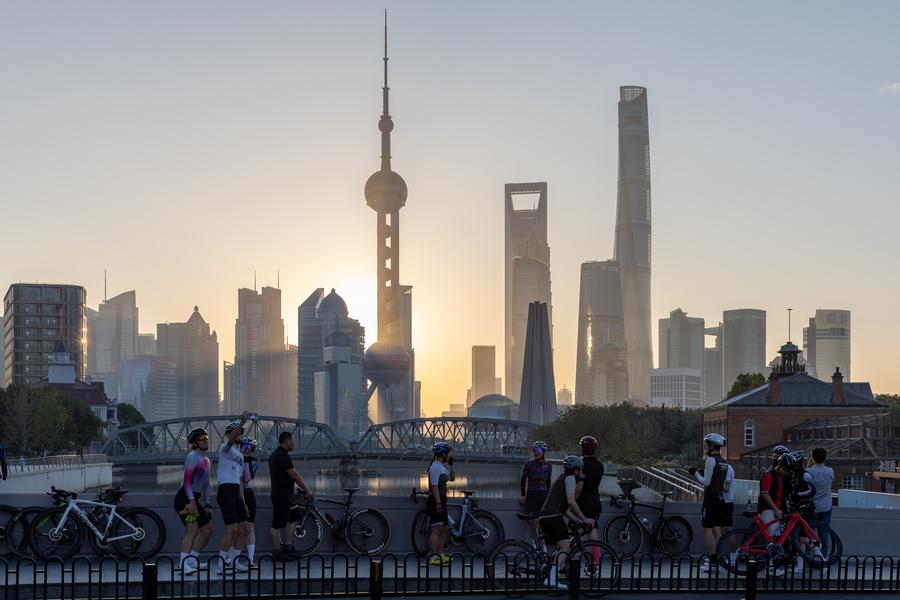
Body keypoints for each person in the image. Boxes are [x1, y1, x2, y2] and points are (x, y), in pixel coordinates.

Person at [538, 455, 595, 590]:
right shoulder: (570, 479)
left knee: (551, 554)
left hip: (544, 517)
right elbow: (571, 502)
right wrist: (585, 519)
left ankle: (547, 575)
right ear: (575, 470)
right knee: (565, 548)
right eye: (580, 469)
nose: (581, 472)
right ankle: (551, 579)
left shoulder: (560, 479)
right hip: (553, 517)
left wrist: (579, 520)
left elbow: (565, 510)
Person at [173, 427, 213, 575]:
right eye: (202, 439)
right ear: (195, 443)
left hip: (195, 499)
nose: (205, 440)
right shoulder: (192, 456)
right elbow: (187, 481)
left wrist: (207, 503)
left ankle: (192, 560)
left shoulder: (207, 460)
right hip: (185, 497)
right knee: (192, 529)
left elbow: (207, 484)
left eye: (206, 437)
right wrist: (191, 501)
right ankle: (183, 565)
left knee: (208, 530)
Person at [269, 431, 314, 558]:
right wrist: (307, 489)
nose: (294, 444)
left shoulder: (276, 454)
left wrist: (294, 488)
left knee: (294, 518)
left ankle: (288, 547)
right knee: (277, 524)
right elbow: (294, 474)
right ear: (287, 440)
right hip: (281, 495)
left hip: (287, 494)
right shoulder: (282, 455)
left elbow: (283, 476)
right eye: (293, 441)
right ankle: (277, 552)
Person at [689, 433, 730, 573]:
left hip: (710, 499)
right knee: (717, 530)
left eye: (706, 445)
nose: (705, 448)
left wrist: (695, 473)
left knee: (706, 530)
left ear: (712, 446)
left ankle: (714, 561)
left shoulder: (711, 460)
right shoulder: (724, 462)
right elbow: (717, 479)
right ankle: (720, 558)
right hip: (720, 498)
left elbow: (706, 482)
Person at [215, 413, 250, 574]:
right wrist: (242, 422)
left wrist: (243, 502)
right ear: (232, 433)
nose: (242, 434)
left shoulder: (241, 456)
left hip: (236, 490)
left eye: (243, 431)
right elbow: (231, 439)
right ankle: (221, 565)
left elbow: (240, 481)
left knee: (244, 528)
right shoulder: (225, 448)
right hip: (226, 489)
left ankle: (235, 561)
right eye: (239, 431)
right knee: (232, 530)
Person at [426, 441, 455, 566]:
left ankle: (441, 555)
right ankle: (434, 556)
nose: (449, 455)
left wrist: (451, 465)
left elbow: (452, 478)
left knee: (443, 529)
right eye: (448, 453)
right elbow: (434, 486)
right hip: (436, 501)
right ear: (442, 454)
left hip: (442, 500)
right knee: (436, 530)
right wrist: (438, 504)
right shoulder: (435, 467)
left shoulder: (441, 466)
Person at [577, 435, 605, 565]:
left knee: (570, 533)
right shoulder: (600, 466)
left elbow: (578, 487)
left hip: (582, 503)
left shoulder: (581, 465)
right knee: (593, 536)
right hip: (595, 502)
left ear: (582, 449)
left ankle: (564, 560)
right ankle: (595, 563)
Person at [807, 447, 835, 555]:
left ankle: (810, 555)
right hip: (826, 507)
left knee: (809, 533)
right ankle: (823, 557)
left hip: (812, 508)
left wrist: (809, 463)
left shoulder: (808, 472)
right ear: (825, 458)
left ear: (812, 458)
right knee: (823, 533)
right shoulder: (830, 471)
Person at [239, 437, 259, 567]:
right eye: (251, 449)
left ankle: (250, 559)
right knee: (239, 528)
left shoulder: (252, 463)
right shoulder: (238, 461)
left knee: (250, 527)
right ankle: (231, 558)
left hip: (248, 494)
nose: (252, 451)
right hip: (240, 494)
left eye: (253, 449)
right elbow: (240, 481)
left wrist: (248, 460)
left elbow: (246, 479)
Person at [520, 441, 552, 519]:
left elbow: (548, 482)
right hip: (531, 495)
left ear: (543, 451)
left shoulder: (548, 465)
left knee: (544, 519)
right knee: (534, 518)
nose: (535, 452)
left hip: (544, 495)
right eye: (534, 450)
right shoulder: (529, 464)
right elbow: (523, 481)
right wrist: (523, 495)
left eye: (538, 450)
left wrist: (549, 496)